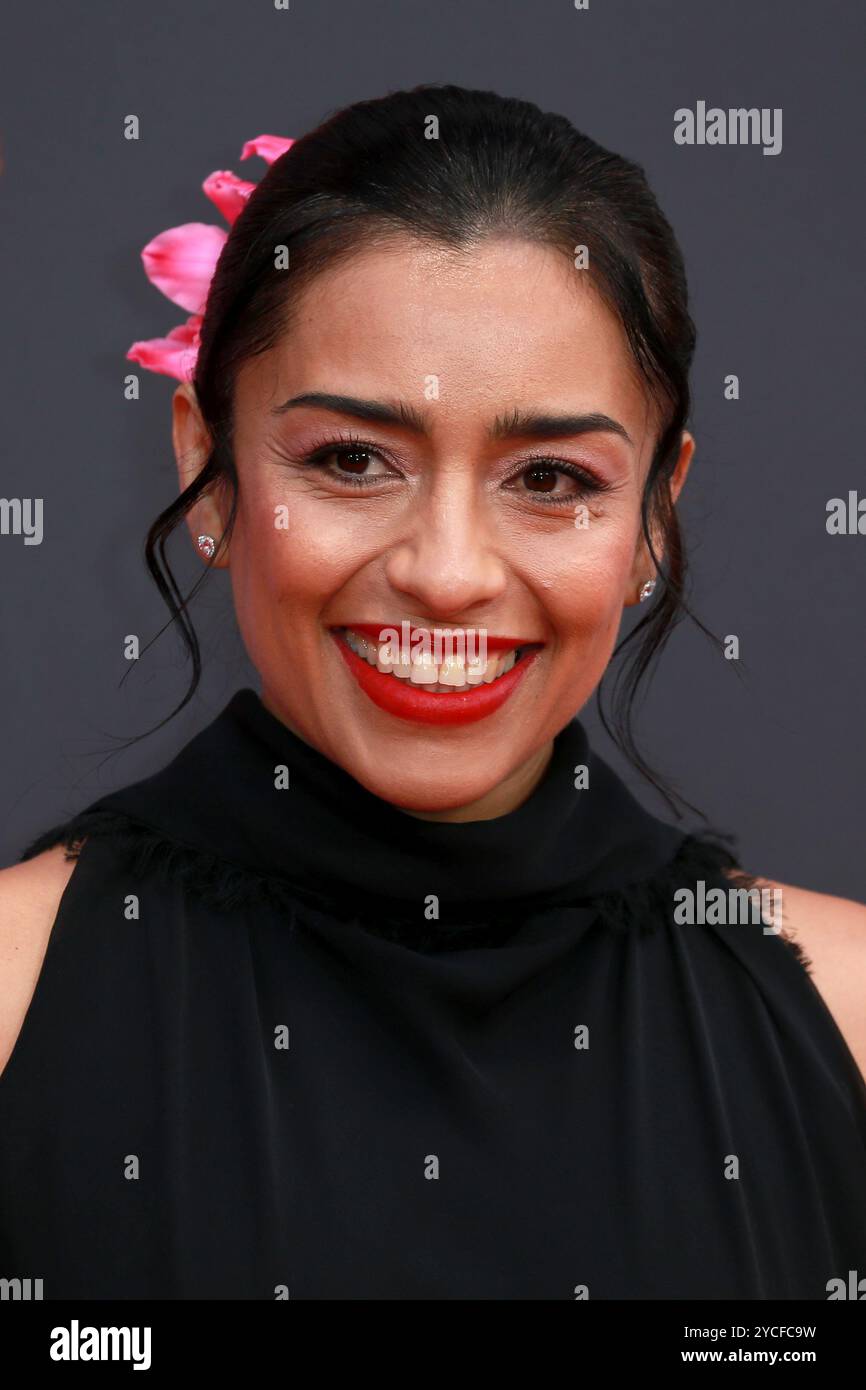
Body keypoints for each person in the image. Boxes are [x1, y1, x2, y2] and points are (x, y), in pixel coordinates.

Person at [1, 84, 864, 1300]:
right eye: (352, 460)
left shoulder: (847, 1014)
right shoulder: (14, 991)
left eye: (553, 477)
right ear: (208, 467)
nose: (447, 573)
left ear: (652, 519)